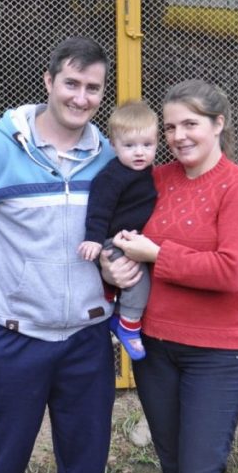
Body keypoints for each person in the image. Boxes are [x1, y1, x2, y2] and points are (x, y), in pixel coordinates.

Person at [0, 35, 117, 473]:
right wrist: (14, 275)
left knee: (86, 468)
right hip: (15, 338)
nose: (81, 98)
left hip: (88, 338)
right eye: (71, 84)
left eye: (92, 88)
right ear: (48, 81)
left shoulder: (109, 158)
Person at [101, 79, 238, 473]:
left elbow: (230, 272)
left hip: (217, 354)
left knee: (198, 471)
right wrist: (109, 268)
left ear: (218, 124)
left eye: (190, 124)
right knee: (174, 465)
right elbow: (117, 234)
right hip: (155, 348)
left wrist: (157, 255)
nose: (179, 136)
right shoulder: (154, 179)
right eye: (171, 127)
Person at [77, 100, 158, 360]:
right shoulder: (111, 176)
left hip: (134, 239)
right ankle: (128, 325)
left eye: (147, 145)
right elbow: (99, 210)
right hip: (115, 240)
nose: (139, 152)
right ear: (113, 145)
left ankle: (121, 315)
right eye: (129, 146)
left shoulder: (149, 172)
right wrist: (94, 239)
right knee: (137, 279)